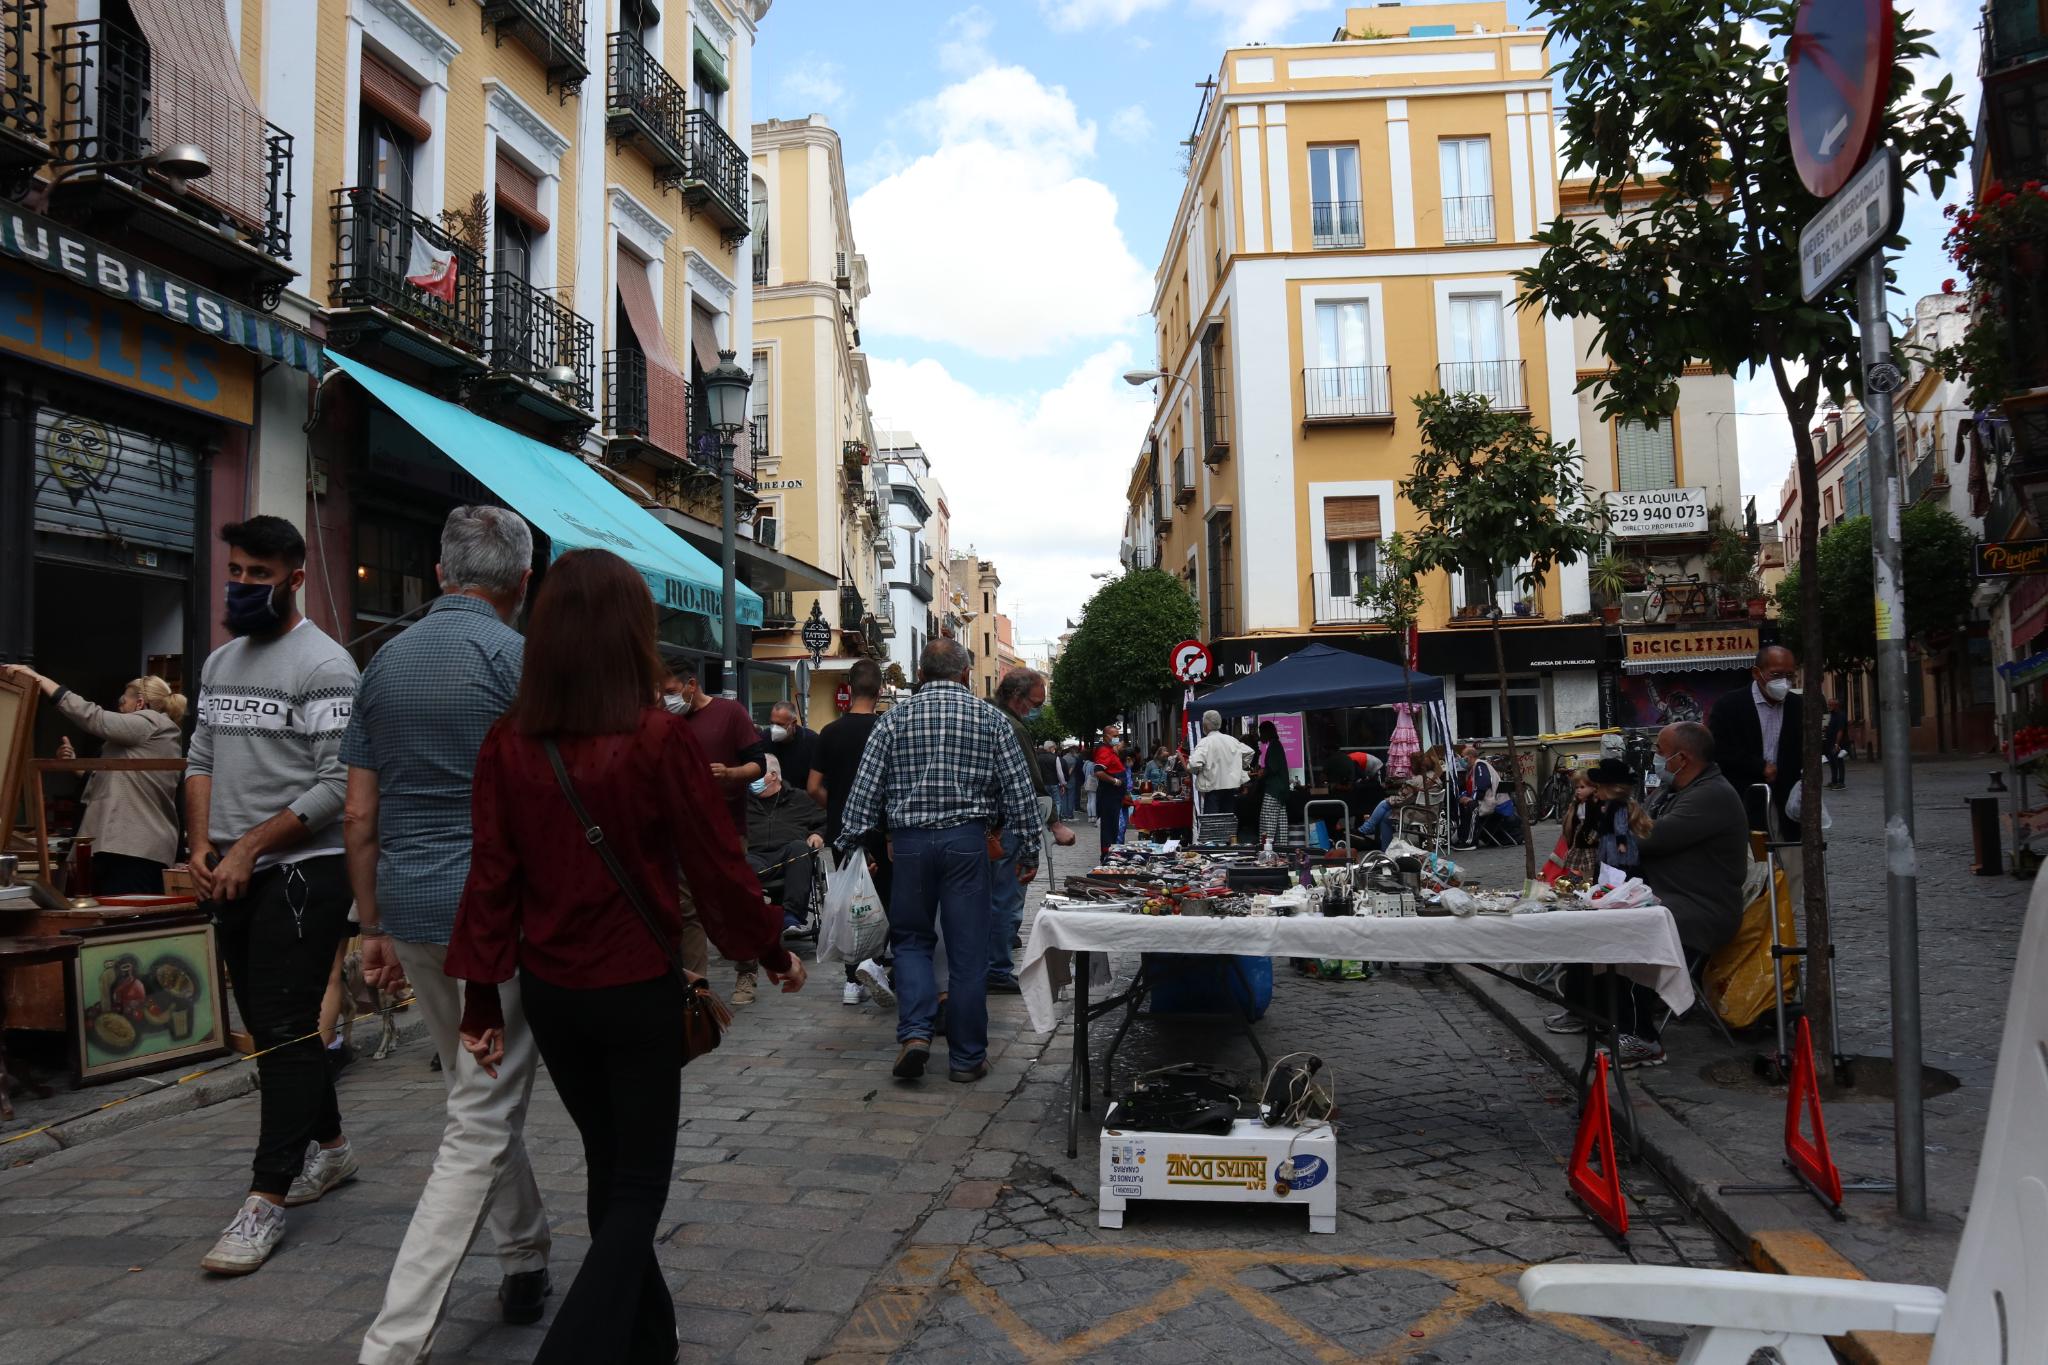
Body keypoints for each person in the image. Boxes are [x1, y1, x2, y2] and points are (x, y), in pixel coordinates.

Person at [447, 549, 805, 1365]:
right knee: (637, 1184)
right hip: (635, 985)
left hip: (552, 993)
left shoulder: (509, 743)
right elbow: (714, 865)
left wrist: (478, 1000)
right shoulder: (655, 739)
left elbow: (491, 875)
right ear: (631, 636)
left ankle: (650, 1339)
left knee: (610, 1166)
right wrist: (769, 948)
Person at [343, 507, 554, 1359]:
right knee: (478, 1112)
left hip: (411, 907)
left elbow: (360, 811)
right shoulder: (517, 661)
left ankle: (525, 1251)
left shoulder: (382, 662)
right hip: (498, 917)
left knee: (476, 1092)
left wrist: (370, 925)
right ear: (523, 584)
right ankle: (393, 1342)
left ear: (438, 573)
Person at [185, 516, 360, 1276]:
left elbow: (336, 783)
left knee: (284, 1028)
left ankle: (265, 1197)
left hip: (302, 873)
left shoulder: (325, 665)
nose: (243, 584)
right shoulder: (222, 660)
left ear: (295, 577)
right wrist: (200, 845)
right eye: (237, 570)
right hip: (227, 870)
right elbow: (199, 756)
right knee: (271, 1026)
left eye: (260, 573)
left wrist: (251, 845)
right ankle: (333, 1147)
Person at [837, 637, 1041, 1084]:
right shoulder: (991, 719)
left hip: (909, 846)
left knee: (911, 941)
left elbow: (864, 792)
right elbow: (1020, 792)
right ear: (966, 674)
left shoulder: (892, 722)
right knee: (968, 953)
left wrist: (854, 847)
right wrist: (1027, 850)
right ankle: (967, 1058)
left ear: (922, 674)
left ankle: (915, 1034)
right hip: (966, 844)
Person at [1586, 722, 1749, 1068]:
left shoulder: (1710, 795)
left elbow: (1648, 838)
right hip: (1671, 895)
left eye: (1660, 751)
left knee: (1633, 925)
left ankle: (1643, 1037)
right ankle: (1605, 1016)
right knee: (1604, 916)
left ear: (1682, 758)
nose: (1656, 758)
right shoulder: (1676, 790)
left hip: (1701, 908)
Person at [3, 666, 184, 893]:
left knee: (124, 922)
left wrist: (41, 681)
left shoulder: (151, 722)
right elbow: (109, 790)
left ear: (140, 703)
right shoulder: (143, 739)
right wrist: (78, 850)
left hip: (133, 853)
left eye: (121, 703)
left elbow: (94, 717)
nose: (118, 708)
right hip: (123, 850)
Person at [661, 656, 767, 1003]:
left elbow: (759, 765)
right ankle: (697, 987)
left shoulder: (730, 713)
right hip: (680, 830)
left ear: (692, 685)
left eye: (671, 691)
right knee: (687, 909)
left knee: (731, 902)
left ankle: (746, 971)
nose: (667, 699)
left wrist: (731, 774)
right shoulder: (665, 722)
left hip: (726, 828)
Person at [809, 657, 895, 1007]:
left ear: (850, 686)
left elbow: (813, 786)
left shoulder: (830, 732)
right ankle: (876, 963)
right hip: (882, 827)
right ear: (879, 691)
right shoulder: (888, 729)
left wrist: (838, 807)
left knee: (850, 902)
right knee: (885, 900)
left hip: (842, 829)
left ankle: (851, 981)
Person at [988, 668, 1077, 995]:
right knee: (1007, 899)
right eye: (1035, 702)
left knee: (990, 900)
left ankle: (989, 961)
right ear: (1017, 697)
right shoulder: (1011, 727)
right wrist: (1054, 823)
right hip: (1009, 826)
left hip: (988, 828)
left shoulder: (990, 717)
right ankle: (996, 968)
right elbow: (1030, 784)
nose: (1036, 708)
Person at [1709, 644, 1803, 837]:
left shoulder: (1798, 707)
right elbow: (1719, 750)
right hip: (1744, 798)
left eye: (1790, 676)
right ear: (1756, 673)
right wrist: (1759, 766)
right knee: (1755, 858)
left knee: (1789, 855)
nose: (1784, 682)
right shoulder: (1729, 706)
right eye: (1776, 675)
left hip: (1787, 800)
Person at [746, 755, 826, 937]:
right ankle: (754, 919)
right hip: (755, 857)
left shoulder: (801, 799)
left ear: (773, 775)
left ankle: (791, 917)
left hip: (789, 855)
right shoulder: (743, 802)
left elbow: (825, 820)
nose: (751, 781)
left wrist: (818, 834)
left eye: (756, 775)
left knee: (800, 848)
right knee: (737, 862)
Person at [1189, 710, 1251, 825]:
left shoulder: (1205, 742)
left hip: (1213, 790)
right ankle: (1227, 842)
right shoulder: (1232, 740)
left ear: (1206, 725)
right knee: (1228, 824)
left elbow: (1194, 764)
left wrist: (1197, 771)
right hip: (1230, 788)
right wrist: (1237, 766)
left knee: (1212, 826)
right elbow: (1249, 752)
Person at [763, 699, 819, 794]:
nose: (774, 729)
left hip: (803, 802)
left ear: (793, 723)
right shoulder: (764, 738)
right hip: (773, 800)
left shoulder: (811, 741)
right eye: (772, 723)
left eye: (780, 724)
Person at [1453, 744, 1501, 850]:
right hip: (1482, 801)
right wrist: (1464, 797)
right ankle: (1461, 837)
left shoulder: (1480, 765)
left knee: (1471, 805)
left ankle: (1470, 842)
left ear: (1469, 757)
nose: (1461, 760)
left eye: (1462, 757)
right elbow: (1470, 789)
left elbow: (1482, 786)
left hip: (1489, 802)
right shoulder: (1472, 770)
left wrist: (1471, 798)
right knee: (1459, 803)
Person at [1250, 721, 1292, 844]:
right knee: (1280, 825)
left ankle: (1266, 852)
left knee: (1267, 822)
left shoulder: (1274, 747)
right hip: (1281, 791)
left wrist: (1260, 773)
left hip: (1273, 790)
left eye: (1261, 732)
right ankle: (1281, 852)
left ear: (1266, 732)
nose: (1260, 736)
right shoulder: (1276, 745)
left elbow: (1272, 768)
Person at [1092, 725, 1128, 845]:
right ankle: (1107, 855)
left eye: (1118, 736)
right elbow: (1098, 771)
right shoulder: (1104, 750)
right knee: (1109, 828)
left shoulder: (1110, 749)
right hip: (1109, 795)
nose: (1117, 738)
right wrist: (1115, 781)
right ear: (1106, 736)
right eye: (1115, 736)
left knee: (1113, 827)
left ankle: (1110, 853)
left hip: (1114, 796)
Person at [1824, 697, 1849, 789]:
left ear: (1836, 706)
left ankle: (1841, 782)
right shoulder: (1833, 715)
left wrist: (1837, 744)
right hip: (1830, 742)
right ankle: (1834, 781)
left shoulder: (1841, 715)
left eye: (1830, 705)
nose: (1828, 706)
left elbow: (1840, 730)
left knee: (1839, 761)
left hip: (1838, 743)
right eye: (1828, 704)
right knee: (1832, 762)